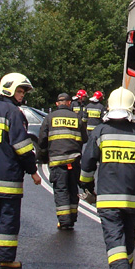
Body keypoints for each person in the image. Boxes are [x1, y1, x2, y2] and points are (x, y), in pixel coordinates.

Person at [80, 87, 135, 269]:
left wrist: (86, 184)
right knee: (129, 234)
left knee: (114, 235)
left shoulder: (100, 131)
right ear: (132, 107)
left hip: (107, 197)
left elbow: (88, 162)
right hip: (132, 197)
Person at [0, 72, 42, 269]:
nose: (22, 95)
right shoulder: (13, 112)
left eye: (23, 91)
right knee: (8, 218)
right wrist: (33, 172)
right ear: (10, 89)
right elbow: (22, 147)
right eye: (20, 91)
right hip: (7, 178)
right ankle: (5, 259)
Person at [38, 92, 88, 230]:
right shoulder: (77, 118)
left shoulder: (49, 118)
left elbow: (42, 140)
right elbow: (85, 138)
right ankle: (72, 217)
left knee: (61, 190)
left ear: (56, 104)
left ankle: (64, 220)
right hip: (74, 161)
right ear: (68, 103)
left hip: (57, 162)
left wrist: (42, 157)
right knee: (73, 189)